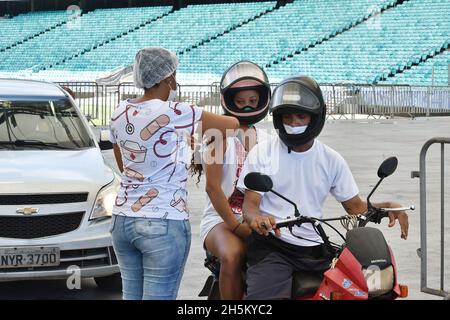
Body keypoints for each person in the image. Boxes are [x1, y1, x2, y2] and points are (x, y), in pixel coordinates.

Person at [236, 76, 409, 300]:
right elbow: (250, 206)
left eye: (301, 116)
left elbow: (355, 206)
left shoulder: (331, 159)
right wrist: (257, 219)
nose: (294, 122)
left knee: (358, 290)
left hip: (316, 247)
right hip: (273, 247)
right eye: (287, 116)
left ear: (316, 117)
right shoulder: (262, 153)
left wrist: (387, 207)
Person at [109, 47, 239, 300]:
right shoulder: (175, 111)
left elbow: (125, 165)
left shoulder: (119, 111)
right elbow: (232, 124)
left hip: (122, 219)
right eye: (174, 75)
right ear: (168, 78)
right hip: (163, 220)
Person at [192, 61, 271, 299]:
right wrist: (237, 225)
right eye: (240, 102)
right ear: (230, 101)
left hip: (257, 215)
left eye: (252, 102)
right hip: (221, 217)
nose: (247, 106)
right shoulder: (218, 136)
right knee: (232, 255)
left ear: (261, 101)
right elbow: (213, 189)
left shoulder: (269, 138)